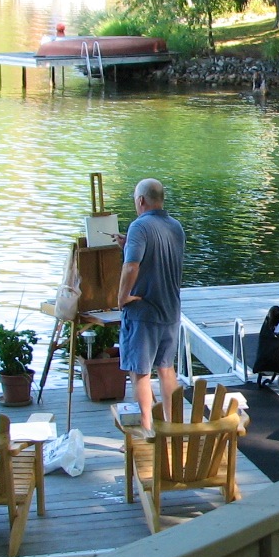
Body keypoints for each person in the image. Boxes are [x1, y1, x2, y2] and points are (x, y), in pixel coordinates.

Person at [116, 177, 185, 429]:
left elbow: (132, 266)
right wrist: (127, 247)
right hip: (170, 309)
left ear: (141, 200)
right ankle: (173, 424)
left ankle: (147, 428)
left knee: (140, 373)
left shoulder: (139, 227)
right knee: (166, 369)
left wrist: (122, 297)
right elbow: (158, 258)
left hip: (143, 311)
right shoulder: (176, 227)